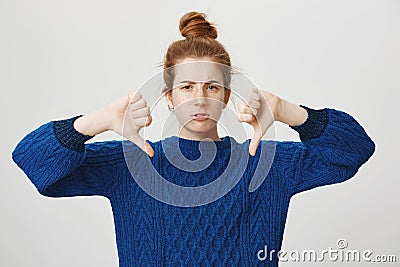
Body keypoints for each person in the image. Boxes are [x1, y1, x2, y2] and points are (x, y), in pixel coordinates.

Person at [11, 11, 375, 267]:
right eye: (187, 87)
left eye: (212, 87)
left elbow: (354, 150)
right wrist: (98, 120)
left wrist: (285, 110)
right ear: (168, 96)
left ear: (227, 96)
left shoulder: (263, 163)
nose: (200, 98)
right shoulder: (134, 163)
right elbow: (32, 161)